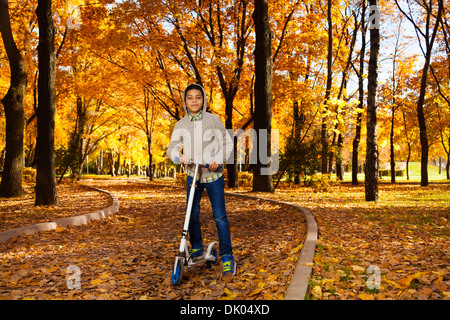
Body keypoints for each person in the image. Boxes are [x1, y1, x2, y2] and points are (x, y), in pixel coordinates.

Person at [166, 83, 236, 278]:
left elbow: (227, 141)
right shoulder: (181, 124)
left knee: (220, 216)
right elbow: (171, 148)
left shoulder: (213, 120)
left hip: (212, 175)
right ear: (185, 101)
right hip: (193, 175)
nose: (194, 100)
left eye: (198, 97)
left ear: (204, 100)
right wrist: (179, 157)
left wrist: (218, 159)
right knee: (192, 214)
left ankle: (227, 256)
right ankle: (196, 247)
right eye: (190, 97)